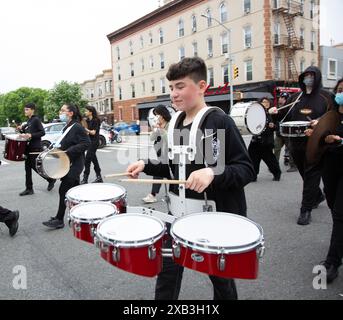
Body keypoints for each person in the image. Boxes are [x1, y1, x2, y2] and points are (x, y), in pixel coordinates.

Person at [127, 57, 255, 300]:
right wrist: (145, 165)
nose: (174, 94)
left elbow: (246, 169)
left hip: (214, 219)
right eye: (172, 87)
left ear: (202, 86)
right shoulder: (175, 123)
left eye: (181, 86)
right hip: (177, 216)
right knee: (167, 274)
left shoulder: (217, 121)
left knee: (221, 281)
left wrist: (212, 172)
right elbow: (173, 166)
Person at [270, 66, 335, 225]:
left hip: (316, 143)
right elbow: (283, 115)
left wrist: (320, 121)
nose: (309, 78)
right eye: (306, 75)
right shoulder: (295, 97)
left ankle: (305, 210)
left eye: (312, 75)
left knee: (312, 173)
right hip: (295, 143)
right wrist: (273, 112)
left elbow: (334, 116)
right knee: (305, 173)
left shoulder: (326, 96)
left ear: (317, 77)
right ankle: (318, 195)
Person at [42, 104, 90, 229]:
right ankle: (81, 215)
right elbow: (65, 144)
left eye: (63, 110)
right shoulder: (68, 127)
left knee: (63, 190)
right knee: (76, 192)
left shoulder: (77, 127)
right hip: (68, 163)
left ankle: (59, 219)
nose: (60, 112)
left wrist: (69, 151)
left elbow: (86, 143)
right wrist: (54, 151)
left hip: (75, 164)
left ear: (71, 113)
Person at [319, 78, 343, 284]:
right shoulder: (331, 116)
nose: (341, 93)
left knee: (339, 213)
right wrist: (319, 136)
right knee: (334, 207)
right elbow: (321, 138)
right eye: (340, 90)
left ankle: (333, 261)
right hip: (331, 169)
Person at [18, 103, 56, 196]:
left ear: (32, 110)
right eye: (25, 109)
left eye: (27, 109)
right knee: (27, 169)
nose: (25, 111)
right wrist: (21, 130)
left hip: (35, 147)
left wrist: (31, 135)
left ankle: (50, 179)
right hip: (28, 147)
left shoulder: (36, 120)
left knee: (36, 167)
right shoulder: (29, 121)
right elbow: (27, 133)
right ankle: (29, 188)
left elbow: (42, 132)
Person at [142, 105, 171, 204]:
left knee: (161, 173)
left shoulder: (170, 124)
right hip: (160, 152)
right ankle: (157, 194)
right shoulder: (158, 125)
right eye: (155, 115)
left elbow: (169, 141)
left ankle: (153, 194)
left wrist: (162, 130)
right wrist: (155, 129)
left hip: (170, 154)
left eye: (157, 115)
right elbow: (152, 138)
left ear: (163, 115)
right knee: (164, 173)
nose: (156, 117)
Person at [248, 97, 282, 182]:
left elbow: (278, 126)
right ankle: (253, 175)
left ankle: (277, 174)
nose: (265, 104)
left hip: (266, 141)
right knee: (252, 159)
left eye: (267, 102)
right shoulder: (256, 113)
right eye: (263, 102)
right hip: (255, 140)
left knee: (270, 159)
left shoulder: (273, 113)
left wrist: (273, 126)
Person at [273, 92, 297, 172]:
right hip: (279, 132)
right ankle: (274, 165)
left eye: (282, 98)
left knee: (291, 149)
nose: (280, 99)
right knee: (276, 148)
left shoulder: (290, 108)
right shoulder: (276, 108)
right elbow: (275, 119)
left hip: (288, 132)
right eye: (280, 97)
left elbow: (291, 118)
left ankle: (293, 165)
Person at [81, 106, 103, 184]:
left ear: (90, 112)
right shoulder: (87, 120)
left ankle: (85, 179)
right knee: (94, 160)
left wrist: (85, 129)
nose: (85, 112)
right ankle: (99, 177)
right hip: (89, 142)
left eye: (86, 111)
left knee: (87, 160)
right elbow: (87, 132)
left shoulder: (96, 120)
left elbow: (93, 132)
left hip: (94, 142)